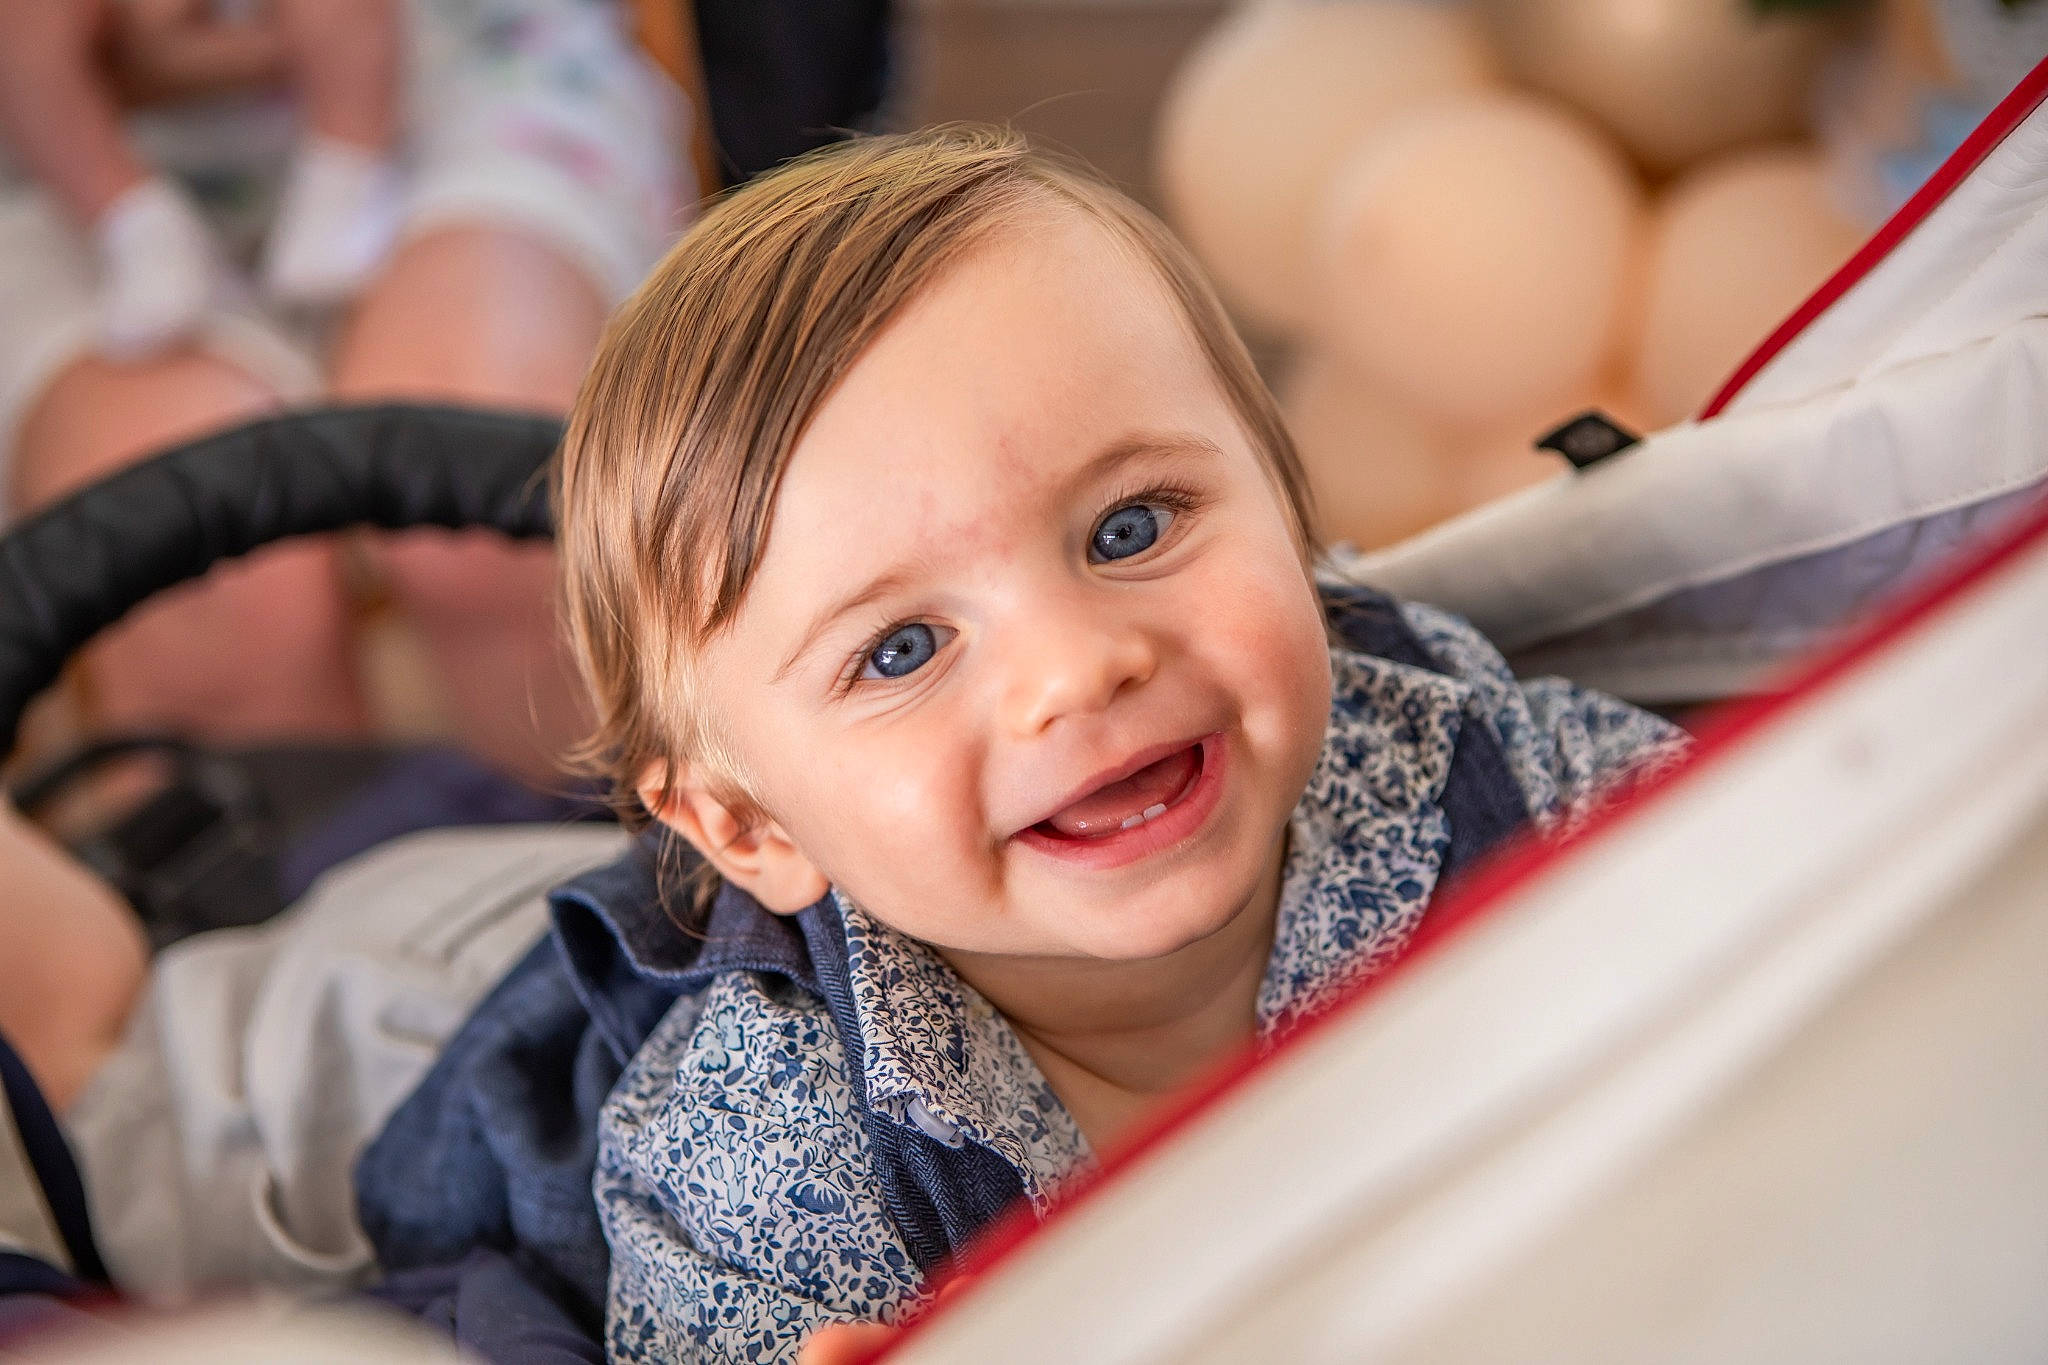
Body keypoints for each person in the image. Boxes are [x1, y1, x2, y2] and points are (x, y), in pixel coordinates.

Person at [541, 125, 1689, 1362]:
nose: (1077, 668)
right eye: (900, 650)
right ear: (747, 828)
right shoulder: (774, 1172)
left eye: (1130, 526)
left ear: (1290, 508)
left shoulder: (1489, 773)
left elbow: (1797, 895)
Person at [0, 0, 691, 780]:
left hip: (465, 66)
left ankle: (661, 861)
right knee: (197, 574)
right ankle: (322, 885)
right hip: (40, 176)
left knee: (492, 505)